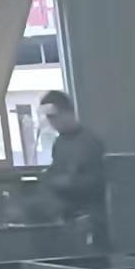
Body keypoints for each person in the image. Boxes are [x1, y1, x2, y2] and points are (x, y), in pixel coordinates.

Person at [38, 90, 109, 250]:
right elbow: (54, 173)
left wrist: (71, 182)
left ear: (68, 112)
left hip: (91, 216)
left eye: (54, 117)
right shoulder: (59, 143)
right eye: (49, 118)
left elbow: (100, 181)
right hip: (66, 215)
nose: (52, 122)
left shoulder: (89, 142)